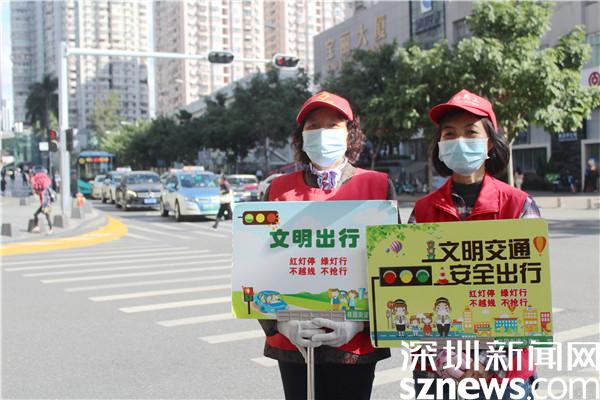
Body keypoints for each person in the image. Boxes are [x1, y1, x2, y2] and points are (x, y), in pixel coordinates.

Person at [259, 91, 399, 400]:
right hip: (294, 340)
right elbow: (256, 266)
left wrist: (361, 324)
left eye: (333, 125)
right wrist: (279, 323)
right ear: (301, 137)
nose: (323, 133)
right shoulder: (278, 190)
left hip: (354, 344)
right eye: (313, 126)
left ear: (350, 134)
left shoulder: (377, 186)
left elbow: (394, 268)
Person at [408, 89, 539, 399]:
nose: (460, 140)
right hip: (437, 372)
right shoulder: (422, 211)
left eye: (471, 132)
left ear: (489, 142)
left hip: (504, 374)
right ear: (440, 145)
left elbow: (530, 294)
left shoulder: (518, 205)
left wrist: (487, 362)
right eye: (450, 134)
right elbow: (411, 295)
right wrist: (444, 358)